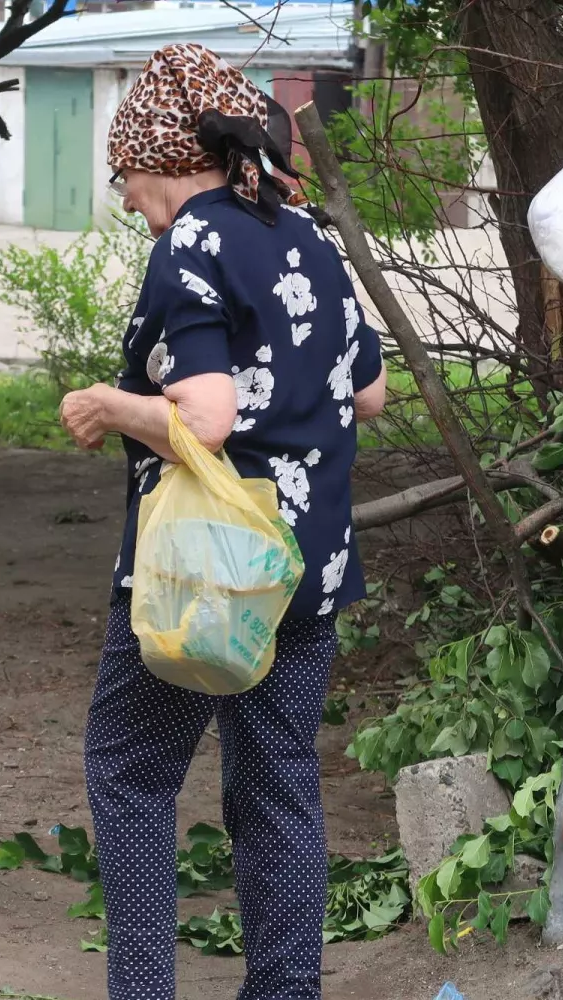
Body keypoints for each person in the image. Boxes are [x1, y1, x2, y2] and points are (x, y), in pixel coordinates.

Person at [57, 42, 388, 1000]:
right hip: (305, 571)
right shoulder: (309, 235)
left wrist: (106, 404)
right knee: (277, 783)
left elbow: (205, 418)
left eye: (124, 177)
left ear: (164, 157)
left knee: (130, 772)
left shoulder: (191, 240)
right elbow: (367, 397)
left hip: (209, 572)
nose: (126, 200)